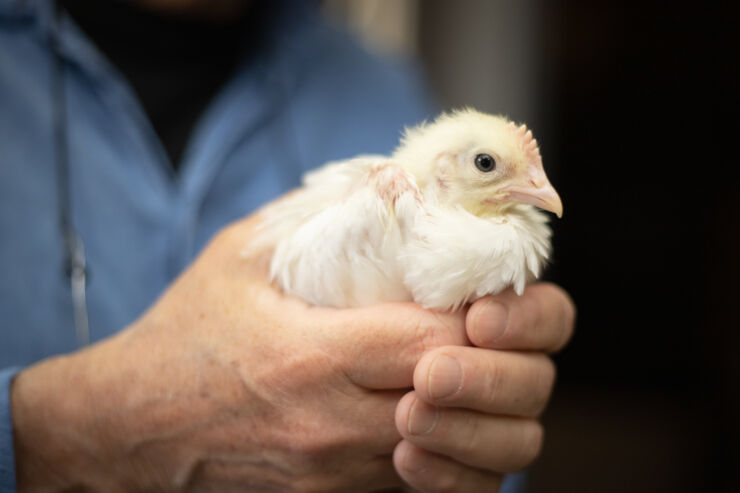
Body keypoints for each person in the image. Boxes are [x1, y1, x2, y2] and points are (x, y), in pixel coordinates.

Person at [0, 0, 575, 491]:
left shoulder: (379, 85)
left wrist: (470, 442)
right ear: (447, 174)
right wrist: (54, 435)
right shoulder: (390, 197)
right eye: (486, 166)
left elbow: (489, 466)